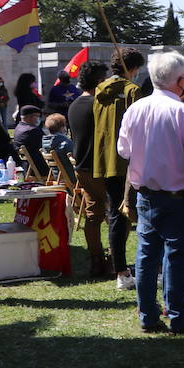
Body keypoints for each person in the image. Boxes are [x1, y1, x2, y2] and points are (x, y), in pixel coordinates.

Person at [117, 51, 184, 335]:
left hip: (146, 193)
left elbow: (123, 150)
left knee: (146, 255)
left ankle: (148, 315)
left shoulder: (135, 109)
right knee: (176, 256)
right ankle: (178, 315)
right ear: (181, 81)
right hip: (178, 195)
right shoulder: (182, 112)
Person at [94, 50, 146, 291]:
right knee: (137, 214)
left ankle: (122, 271)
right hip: (128, 161)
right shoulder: (132, 90)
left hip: (105, 160)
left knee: (116, 215)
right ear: (133, 68)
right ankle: (137, 270)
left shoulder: (99, 90)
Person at [67, 61, 111, 276]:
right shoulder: (100, 105)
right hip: (103, 167)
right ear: (100, 81)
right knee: (115, 214)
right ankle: (113, 260)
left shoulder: (74, 105)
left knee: (93, 215)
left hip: (82, 167)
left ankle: (96, 260)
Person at [13, 105, 47, 177]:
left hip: (26, 167)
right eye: (37, 116)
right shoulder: (33, 130)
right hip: (38, 169)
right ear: (30, 117)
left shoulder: (18, 128)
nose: (39, 119)